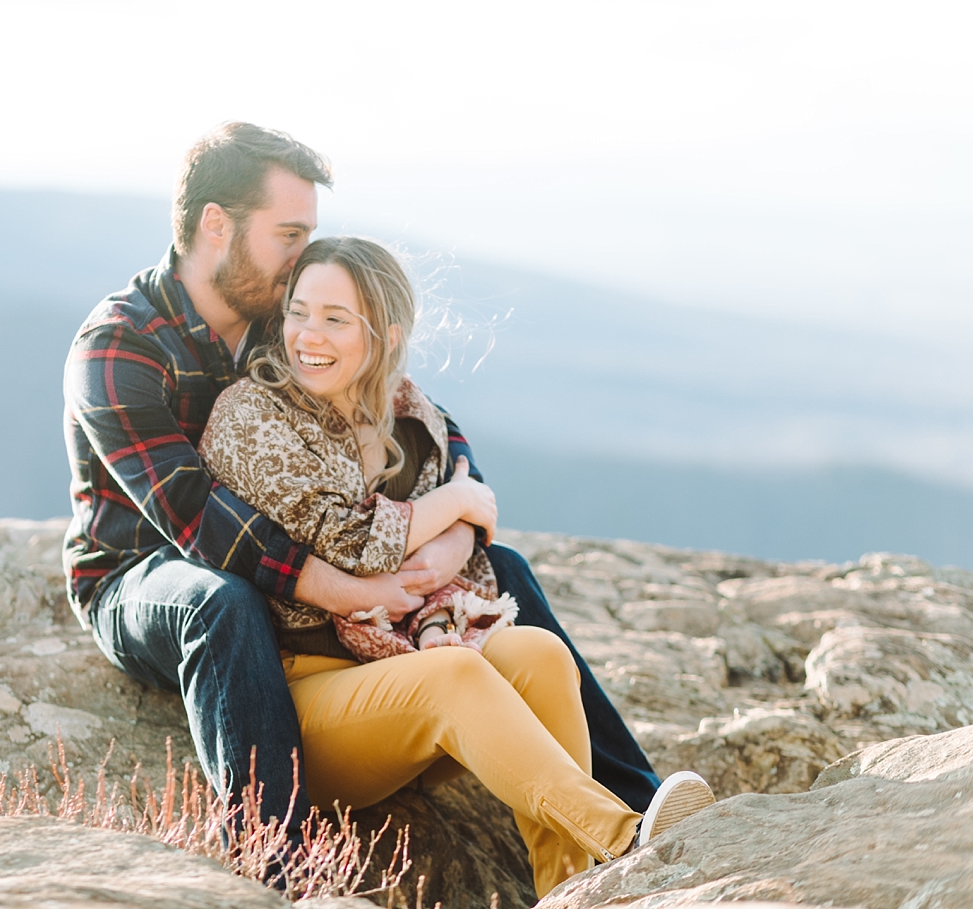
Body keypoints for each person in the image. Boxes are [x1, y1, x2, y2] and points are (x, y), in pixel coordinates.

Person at [61, 121, 661, 847]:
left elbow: (416, 419)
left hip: (302, 559)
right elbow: (193, 516)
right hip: (144, 572)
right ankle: (271, 852)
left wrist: (455, 535)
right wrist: (348, 589)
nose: (302, 257)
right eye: (289, 234)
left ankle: (639, 800)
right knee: (222, 601)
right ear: (216, 226)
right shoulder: (118, 346)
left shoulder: (279, 319)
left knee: (500, 570)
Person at [197, 236, 716, 896]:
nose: (308, 336)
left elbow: (468, 548)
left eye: (334, 318)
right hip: (310, 698)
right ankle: (626, 837)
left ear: (384, 335)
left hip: (406, 667)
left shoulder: (412, 419)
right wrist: (454, 503)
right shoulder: (251, 417)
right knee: (455, 673)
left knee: (540, 655)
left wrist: (455, 530)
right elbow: (351, 541)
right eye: (299, 312)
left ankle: (573, 890)